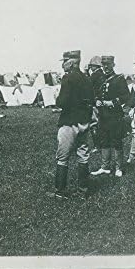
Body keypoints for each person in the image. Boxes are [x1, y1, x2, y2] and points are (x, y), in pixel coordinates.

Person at [47, 50, 94, 199]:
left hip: (69, 121)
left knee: (62, 157)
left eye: (65, 61)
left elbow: (62, 102)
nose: (62, 64)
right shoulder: (87, 78)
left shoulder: (68, 78)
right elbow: (92, 100)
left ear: (72, 62)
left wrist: (57, 99)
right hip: (84, 121)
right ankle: (83, 190)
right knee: (83, 155)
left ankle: (60, 191)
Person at [91, 55, 130, 178]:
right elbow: (95, 93)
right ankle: (105, 167)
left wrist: (112, 102)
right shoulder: (100, 78)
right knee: (104, 140)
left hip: (115, 115)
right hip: (103, 115)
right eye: (104, 65)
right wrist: (96, 100)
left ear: (113, 65)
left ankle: (119, 168)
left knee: (116, 140)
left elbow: (125, 96)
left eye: (108, 65)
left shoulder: (119, 79)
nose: (106, 67)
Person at [87, 56, 106, 154]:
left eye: (91, 66)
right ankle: (103, 144)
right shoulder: (103, 74)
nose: (90, 67)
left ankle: (97, 145)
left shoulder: (94, 75)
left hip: (94, 102)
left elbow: (87, 86)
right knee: (101, 123)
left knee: (94, 124)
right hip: (102, 102)